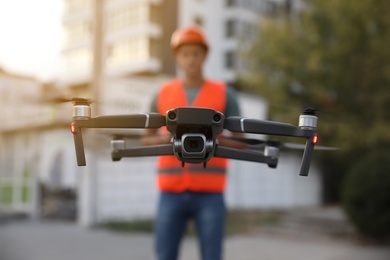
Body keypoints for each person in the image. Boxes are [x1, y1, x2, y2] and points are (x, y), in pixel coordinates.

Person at [142, 25, 244, 260]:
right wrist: (162, 138)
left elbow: (242, 142)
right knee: (164, 255)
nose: (190, 59)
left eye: (196, 53)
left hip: (210, 193)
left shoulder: (224, 94)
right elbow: (145, 138)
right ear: (177, 57)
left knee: (212, 256)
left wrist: (215, 139)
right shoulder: (161, 93)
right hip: (170, 192)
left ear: (204, 56)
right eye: (185, 53)